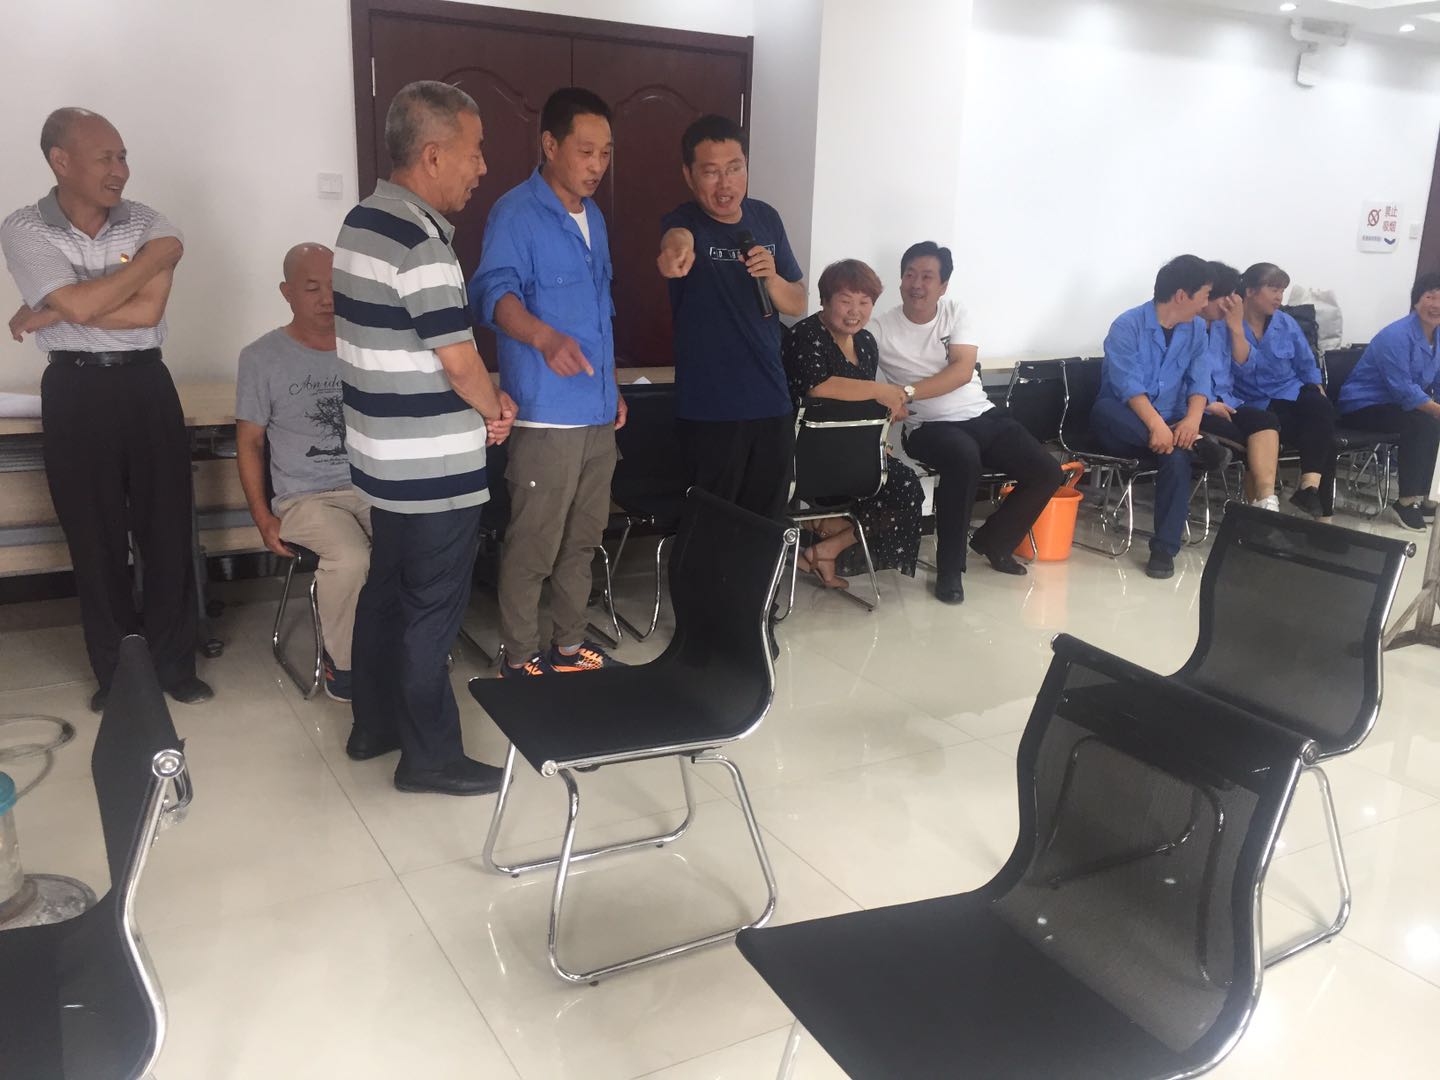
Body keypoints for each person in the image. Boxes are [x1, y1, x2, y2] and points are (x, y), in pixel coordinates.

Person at [333, 81, 517, 796]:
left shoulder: (362, 221)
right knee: (430, 612)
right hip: (433, 465)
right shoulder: (422, 244)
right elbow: (460, 361)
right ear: (434, 155)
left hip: (382, 457)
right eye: (475, 152)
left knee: (387, 593)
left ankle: (373, 725)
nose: (482, 168)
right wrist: (495, 408)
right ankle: (430, 757)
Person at [1, 107, 211, 711]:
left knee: (167, 528)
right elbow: (83, 305)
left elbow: (147, 314)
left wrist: (53, 310)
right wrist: (147, 264)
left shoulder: (147, 220)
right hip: (76, 390)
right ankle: (118, 675)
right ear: (60, 161)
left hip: (146, 382)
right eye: (106, 158)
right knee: (94, 539)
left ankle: (174, 665)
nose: (120, 169)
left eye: (123, 156)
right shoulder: (24, 228)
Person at [469, 88, 625, 679]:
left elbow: (600, 313)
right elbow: (493, 295)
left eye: (605, 153)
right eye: (586, 151)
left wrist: (612, 386)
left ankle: (568, 646)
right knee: (534, 544)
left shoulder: (595, 219)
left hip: (596, 411)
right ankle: (518, 656)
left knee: (582, 541)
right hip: (545, 416)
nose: (596, 165)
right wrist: (543, 338)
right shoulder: (516, 213)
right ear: (550, 145)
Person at [871, 242, 1063, 604]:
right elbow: (858, 370)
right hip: (929, 427)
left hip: (981, 414)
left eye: (927, 277)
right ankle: (949, 569)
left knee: (1047, 472)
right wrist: (885, 398)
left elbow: (961, 371)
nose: (916, 284)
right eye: (910, 275)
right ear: (900, 281)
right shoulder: (881, 328)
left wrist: (905, 392)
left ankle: (994, 541)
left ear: (943, 286)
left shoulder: (956, 312)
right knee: (963, 459)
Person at [235, 243, 370, 702]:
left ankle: (405, 651)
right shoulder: (261, 357)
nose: (327, 298)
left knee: (416, 544)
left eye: (334, 286)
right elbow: (250, 443)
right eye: (312, 288)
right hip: (304, 499)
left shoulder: (364, 347)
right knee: (351, 558)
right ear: (287, 292)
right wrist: (262, 517)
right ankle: (343, 664)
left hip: (370, 488)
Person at [656, 114, 807, 522]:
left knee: (768, 523)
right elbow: (675, 241)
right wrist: (674, 254)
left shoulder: (766, 218)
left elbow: (797, 301)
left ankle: (760, 571)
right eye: (711, 172)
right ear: (689, 175)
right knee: (713, 527)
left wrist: (771, 278)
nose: (725, 184)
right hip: (711, 410)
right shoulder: (684, 221)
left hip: (772, 402)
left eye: (734, 168)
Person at [780, 259, 924, 587]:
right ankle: (821, 531)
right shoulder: (805, 335)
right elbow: (818, 387)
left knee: (906, 488)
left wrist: (881, 431)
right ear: (825, 300)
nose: (854, 312)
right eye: (845, 301)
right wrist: (882, 391)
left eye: (864, 302)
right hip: (808, 454)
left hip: (855, 451)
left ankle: (826, 549)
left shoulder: (866, 342)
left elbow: (861, 403)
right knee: (890, 485)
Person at [1092, 255, 1229, 580]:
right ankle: (1195, 444)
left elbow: (1200, 379)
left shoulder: (1196, 329)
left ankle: (1164, 551)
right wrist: (1157, 426)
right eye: (1204, 295)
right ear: (1182, 295)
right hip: (1124, 422)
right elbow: (1129, 387)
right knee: (1106, 410)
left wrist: (1192, 421)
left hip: (1171, 424)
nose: (1206, 303)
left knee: (1176, 456)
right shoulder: (1127, 325)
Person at [1212, 262, 1337, 520]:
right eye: (1273, 289)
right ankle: (1272, 507)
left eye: (1282, 291)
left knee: (1320, 408)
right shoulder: (1225, 323)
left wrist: (1318, 389)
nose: (1279, 297)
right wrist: (1237, 330)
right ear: (1250, 291)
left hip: (1288, 393)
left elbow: (1307, 364)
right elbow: (1242, 366)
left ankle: (1310, 488)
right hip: (1253, 401)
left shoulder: (1286, 323)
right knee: (1312, 433)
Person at [1338, 271, 1440, 531]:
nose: (1436, 305)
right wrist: (1435, 409)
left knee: (1429, 421)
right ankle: (1405, 502)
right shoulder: (1396, 335)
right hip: (1363, 405)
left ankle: (1427, 496)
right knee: (1423, 423)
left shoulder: (1438, 337)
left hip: (1399, 407)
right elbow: (1403, 389)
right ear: (1416, 300)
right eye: (1430, 297)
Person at [1200, 261, 1281, 510]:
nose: (1231, 302)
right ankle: (1254, 505)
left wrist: (1236, 328)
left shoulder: (1225, 324)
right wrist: (1205, 404)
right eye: (1225, 296)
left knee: (1264, 420)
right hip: (1196, 407)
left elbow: (1246, 366)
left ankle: (1266, 499)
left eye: (1233, 295)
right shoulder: (1185, 325)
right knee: (1241, 437)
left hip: (1227, 401)